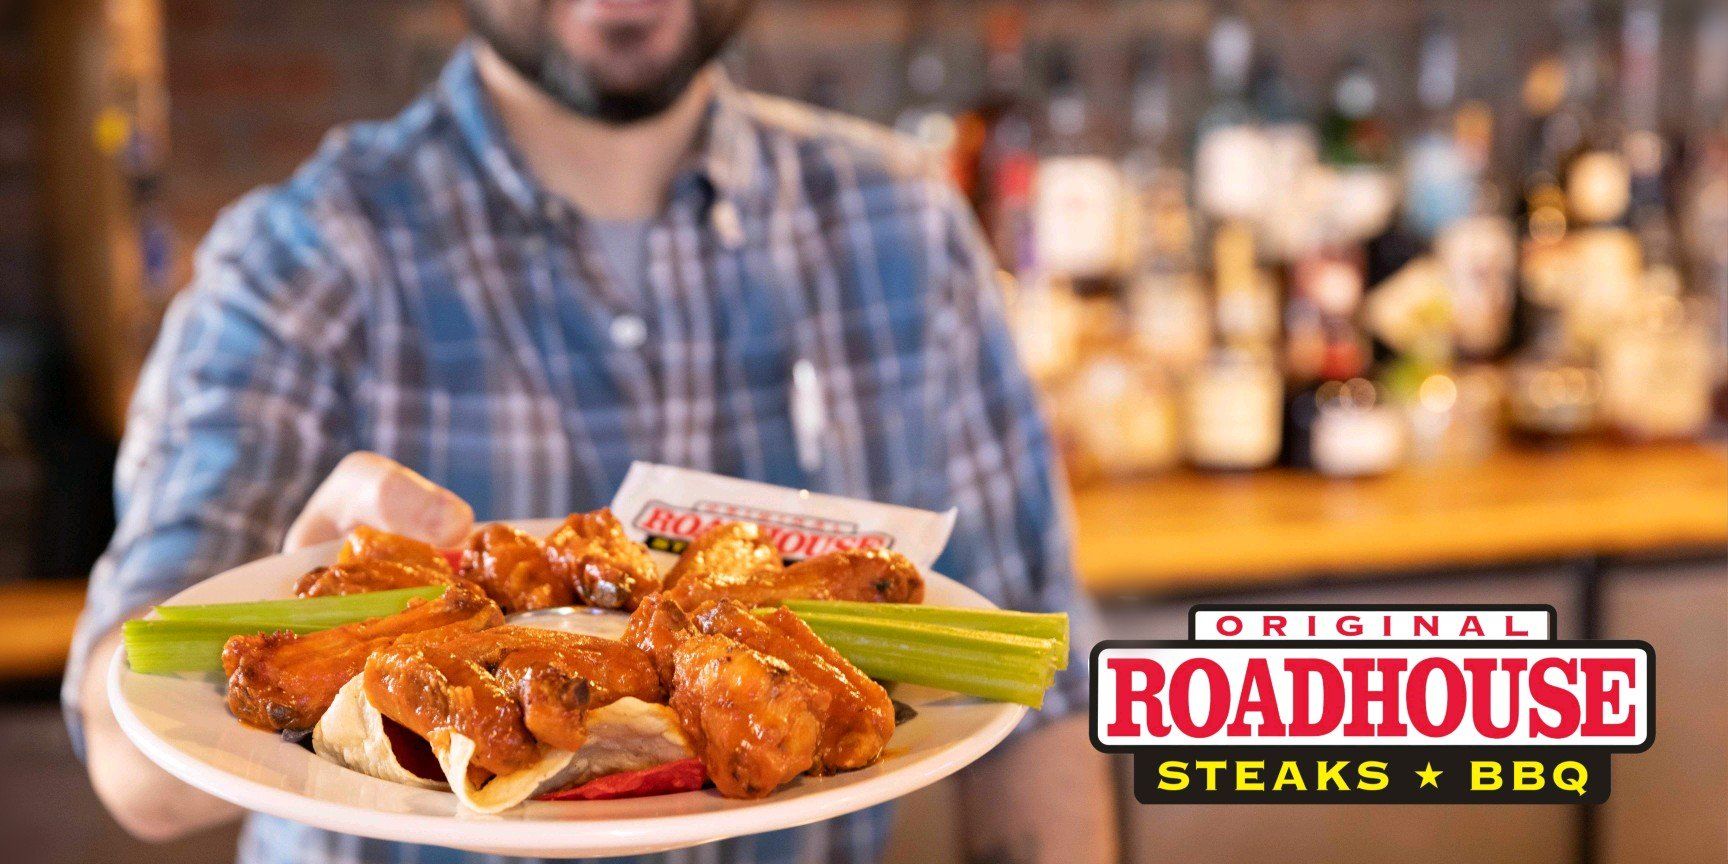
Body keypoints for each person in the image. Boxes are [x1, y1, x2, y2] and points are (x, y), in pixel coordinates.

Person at [63, 2, 1116, 863]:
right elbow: (124, 762)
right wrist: (303, 614)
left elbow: (1042, 701)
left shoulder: (903, 230)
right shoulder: (295, 263)